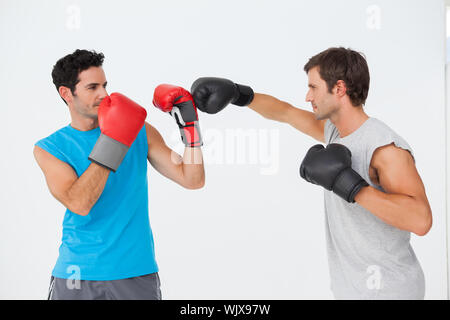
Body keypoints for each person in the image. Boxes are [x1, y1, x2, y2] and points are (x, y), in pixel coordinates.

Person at [190, 47, 432, 299]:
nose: (307, 96)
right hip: (351, 290)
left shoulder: (384, 147)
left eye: (313, 87)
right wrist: (239, 94)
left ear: (339, 88)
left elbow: (421, 220)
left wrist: (351, 186)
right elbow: (285, 112)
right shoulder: (335, 132)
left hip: (389, 291)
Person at [33, 49, 205, 300]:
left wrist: (190, 128)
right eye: (92, 87)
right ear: (66, 93)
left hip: (136, 272)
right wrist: (114, 139)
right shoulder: (51, 148)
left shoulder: (140, 131)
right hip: (77, 273)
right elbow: (80, 203)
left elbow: (192, 179)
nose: (104, 94)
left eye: (105, 85)